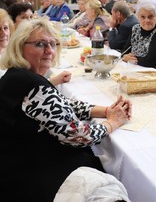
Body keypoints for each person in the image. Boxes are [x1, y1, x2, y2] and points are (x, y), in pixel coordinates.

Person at [0, 18, 132, 201]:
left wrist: (105, 110)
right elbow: (77, 136)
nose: (49, 50)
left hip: (19, 162)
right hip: (28, 173)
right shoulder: (31, 85)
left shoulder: (19, 76)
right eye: (40, 44)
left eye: (52, 44)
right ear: (20, 47)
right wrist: (112, 123)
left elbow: (62, 104)